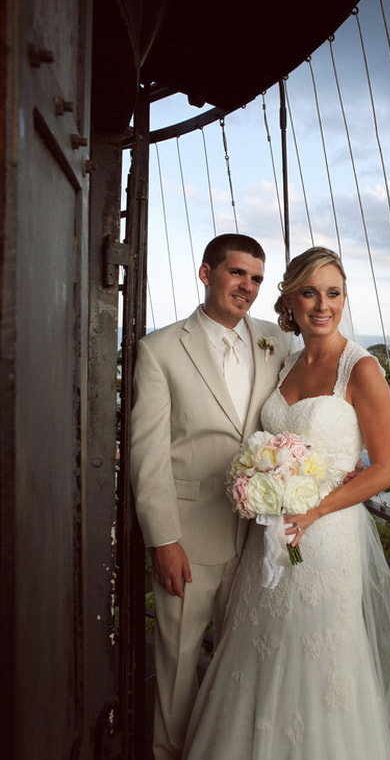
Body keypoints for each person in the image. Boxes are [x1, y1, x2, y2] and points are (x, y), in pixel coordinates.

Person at [182, 246, 390, 760]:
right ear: (290, 301)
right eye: (310, 292)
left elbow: (385, 470)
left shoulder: (361, 369)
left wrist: (315, 510)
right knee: (261, 650)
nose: (323, 305)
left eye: (334, 293)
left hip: (325, 540)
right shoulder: (287, 360)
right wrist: (264, 484)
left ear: (344, 299)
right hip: (272, 540)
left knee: (318, 661)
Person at [130, 233, 290, 760]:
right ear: (207, 273)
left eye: (257, 279)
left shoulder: (275, 341)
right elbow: (147, 454)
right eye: (238, 273)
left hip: (259, 540)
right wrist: (164, 540)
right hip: (190, 538)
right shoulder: (159, 349)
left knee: (244, 664)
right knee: (177, 667)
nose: (248, 287)